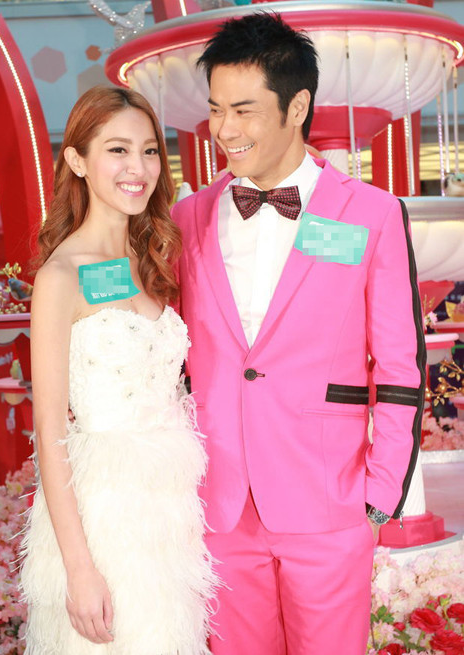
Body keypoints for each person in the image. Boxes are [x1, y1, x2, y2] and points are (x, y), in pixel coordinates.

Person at [171, 13, 425, 655]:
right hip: (220, 506)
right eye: (216, 110)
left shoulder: (371, 213)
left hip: (329, 501)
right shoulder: (186, 218)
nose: (225, 130)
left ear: (297, 106)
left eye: (244, 111)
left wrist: (380, 497)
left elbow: (400, 367)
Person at [20, 85, 216, 655]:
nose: (139, 168)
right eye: (117, 150)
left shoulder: (152, 260)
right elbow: (49, 431)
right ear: (78, 161)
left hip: (171, 515)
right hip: (101, 519)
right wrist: (79, 569)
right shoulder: (60, 277)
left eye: (150, 150)